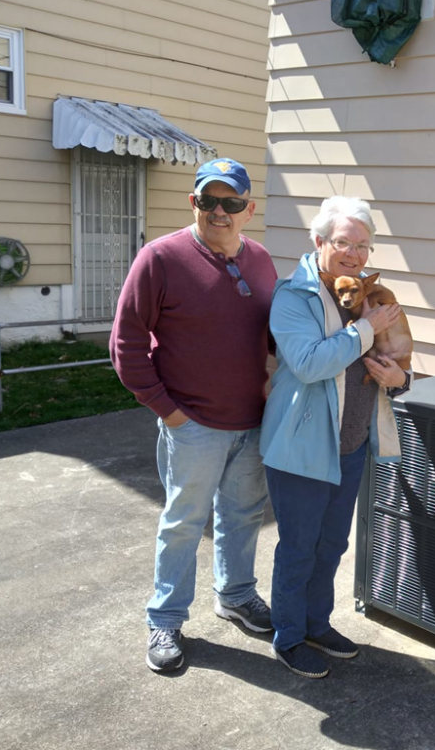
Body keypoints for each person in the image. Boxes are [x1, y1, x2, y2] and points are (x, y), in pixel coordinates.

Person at [110, 157, 277, 673]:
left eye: (231, 203)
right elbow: (126, 344)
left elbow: (274, 334)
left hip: (253, 421)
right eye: (209, 200)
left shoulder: (263, 260)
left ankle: (235, 595)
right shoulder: (160, 258)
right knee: (184, 523)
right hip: (194, 425)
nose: (219, 211)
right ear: (194, 203)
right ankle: (165, 617)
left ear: (249, 209)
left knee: (244, 516)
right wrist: (169, 412)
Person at [260, 195, 411, 678]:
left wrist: (399, 380)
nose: (354, 253)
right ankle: (287, 635)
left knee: (332, 545)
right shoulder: (294, 296)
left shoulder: (368, 294)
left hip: (352, 444)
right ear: (319, 241)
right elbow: (309, 365)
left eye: (363, 245)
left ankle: (316, 623)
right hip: (302, 447)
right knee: (299, 545)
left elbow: (395, 358)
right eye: (343, 242)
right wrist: (366, 328)